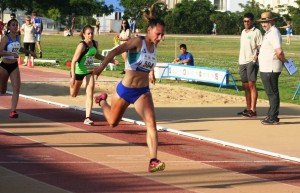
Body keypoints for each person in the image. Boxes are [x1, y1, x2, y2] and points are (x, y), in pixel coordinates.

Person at [93, 2, 166, 173]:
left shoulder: (155, 44)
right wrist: (101, 67)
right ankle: (102, 101)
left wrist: (151, 72)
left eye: (162, 35)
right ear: (149, 31)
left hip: (142, 92)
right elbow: (114, 51)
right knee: (112, 122)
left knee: (151, 123)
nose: (160, 38)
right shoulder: (136, 42)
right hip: (125, 90)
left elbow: (148, 61)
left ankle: (153, 160)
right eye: (158, 34)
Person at [70, 25, 118, 126]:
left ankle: (87, 118)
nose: (91, 35)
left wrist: (110, 60)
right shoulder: (82, 46)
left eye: (92, 33)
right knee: (73, 94)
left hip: (89, 71)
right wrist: (73, 77)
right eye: (88, 33)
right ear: (84, 34)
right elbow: (74, 61)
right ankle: (72, 86)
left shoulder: (95, 43)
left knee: (90, 93)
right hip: (78, 71)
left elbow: (97, 55)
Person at [0, 19, 37, 118]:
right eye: (13, 25)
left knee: (16, 88)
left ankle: (13, 111)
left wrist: (30, 52)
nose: (15, 27)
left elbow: (19, 48)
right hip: (4, 66)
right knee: (2, 90)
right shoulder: (6, 38)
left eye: (16, 25)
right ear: (8, 27)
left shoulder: (17, 37)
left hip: (14, 66)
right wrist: (10, 54)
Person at [257, 11, 287, 125]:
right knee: (271, 92)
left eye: (266, 21)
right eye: (262, 22)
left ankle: (273, 117)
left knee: (272, 93)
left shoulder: (273, 32)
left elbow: (279, 51)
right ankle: (272, 115)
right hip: (267, 68)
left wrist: (284, 61)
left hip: (271, 68)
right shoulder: (269, 32)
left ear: (272, 21)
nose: (264, 24)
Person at [237, 13, 262, 118]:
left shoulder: (257, 32)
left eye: (248, 21)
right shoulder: (243, 32)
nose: (246, 23)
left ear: (252, 21)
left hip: (251, 61)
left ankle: (253, 110)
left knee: (252, 85)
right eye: (244, 21)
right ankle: (248, 109)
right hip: (242, 61)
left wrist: (257, 56)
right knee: (245, 85)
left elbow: (261, 46)